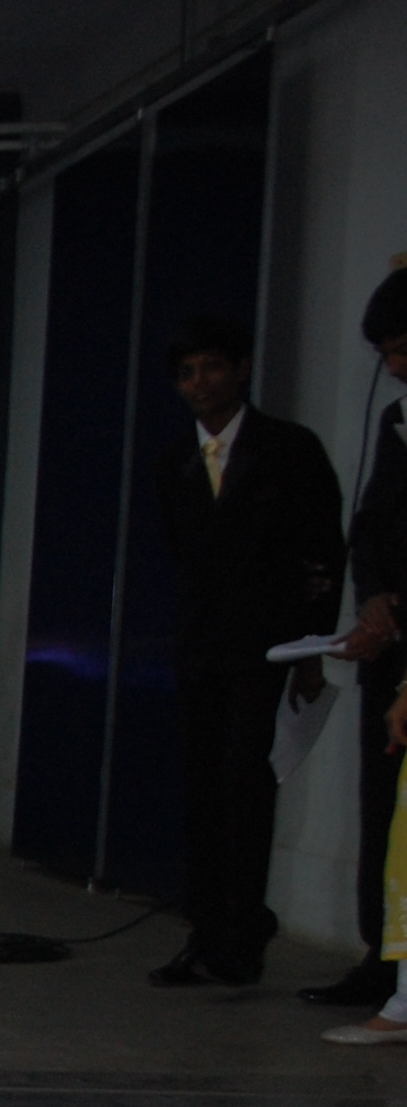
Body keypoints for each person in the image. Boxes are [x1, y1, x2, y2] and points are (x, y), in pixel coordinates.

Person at [148, 314, 348, 987]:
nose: (199, 382)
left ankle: (242, 932)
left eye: (211, 367)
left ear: (239, 369)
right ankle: (205, 930)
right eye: (187, 373)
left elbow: (323, 552)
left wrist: (311, 646)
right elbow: (182, 556)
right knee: (201, 790)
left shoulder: (289, 449)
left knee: (245, 787)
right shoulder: (174, 463)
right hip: (201, 647)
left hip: (268, 647)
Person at [314, 269, 407, 1038]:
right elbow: (370, 524)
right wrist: (373, 597)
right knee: (382, 806)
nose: (396, 365)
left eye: (405, 347)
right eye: (386, 354)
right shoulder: (396, 420)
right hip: (390, 642)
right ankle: (384, 958)